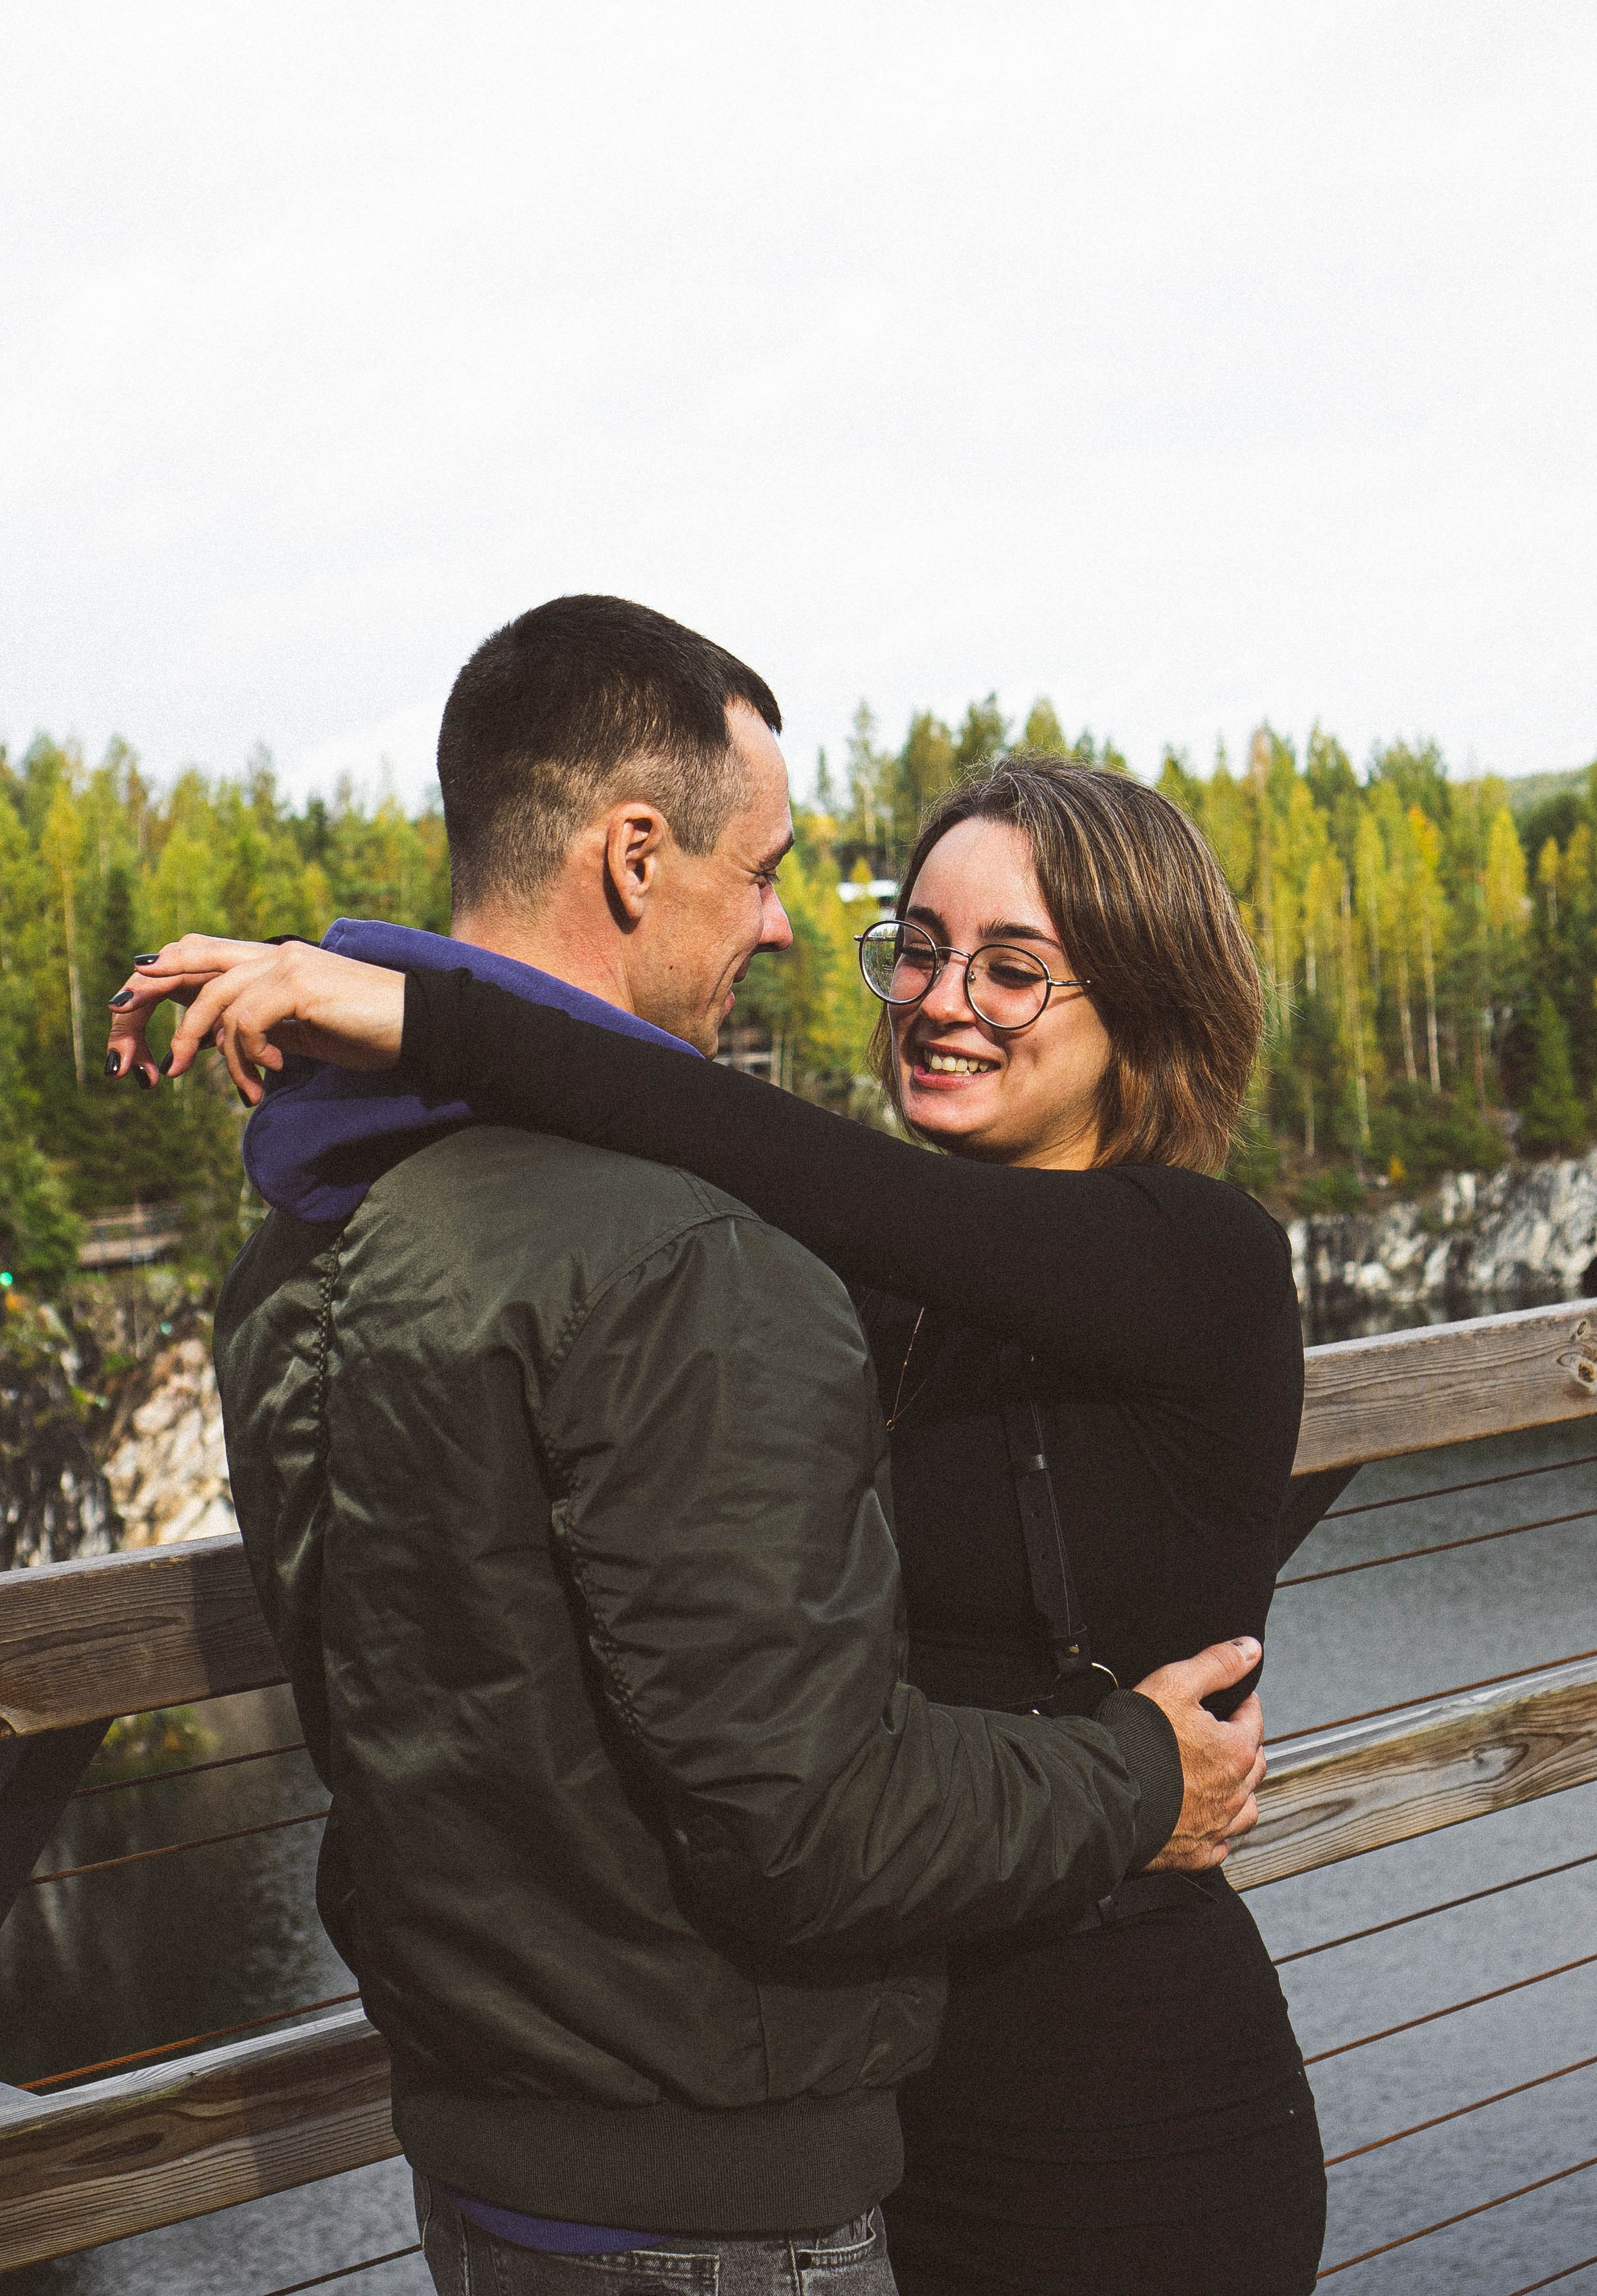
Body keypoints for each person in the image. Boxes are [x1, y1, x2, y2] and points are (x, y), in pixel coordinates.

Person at [112, 598, 1271, 2296]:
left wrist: (423, 1013)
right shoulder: (825, 1275)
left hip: (1110, 2112)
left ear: (1143, 1003)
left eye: (1011, 967)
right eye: (915, 947)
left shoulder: (1196, 1261)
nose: (936, 999)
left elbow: (745, 1140)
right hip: (850, 2110)